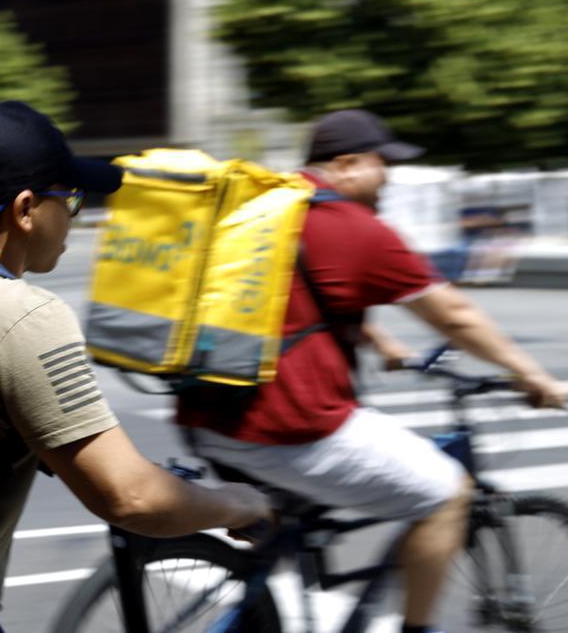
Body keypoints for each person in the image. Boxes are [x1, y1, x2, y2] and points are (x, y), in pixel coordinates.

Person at [0, 101, 272, 633]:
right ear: (25, 210)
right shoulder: (24, 317)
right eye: (72, 200)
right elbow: (131, 497)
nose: (75, 217)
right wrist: (241, 505)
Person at [176, 109, 565, 633]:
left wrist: (376, 337)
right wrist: (533, 376)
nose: (390, 180)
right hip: (287, 428)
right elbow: (455, 315)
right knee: (448, 493)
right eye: (385, 166)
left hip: (206, 416)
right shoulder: (353, 227)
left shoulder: (267, 207)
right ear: (348, 165)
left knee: (284, 547)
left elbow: (282, 297)